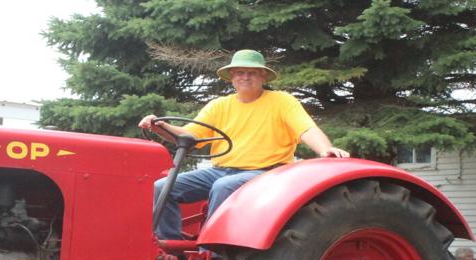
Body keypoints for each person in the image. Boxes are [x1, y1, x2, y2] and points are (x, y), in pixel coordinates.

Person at [142, 50, 349, 242]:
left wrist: (324, 149)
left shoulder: (282, 102)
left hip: (266, 173)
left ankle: (211, 252)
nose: (246, 77)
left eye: (252, 73)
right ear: (232, 76)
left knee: (223, 187)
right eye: (240, 72)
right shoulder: (219, 105)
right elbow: (190, 136)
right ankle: (170, 247)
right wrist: (161, 127)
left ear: (263, 77)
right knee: (164, 186)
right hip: (220, 171)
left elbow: (306, 129)